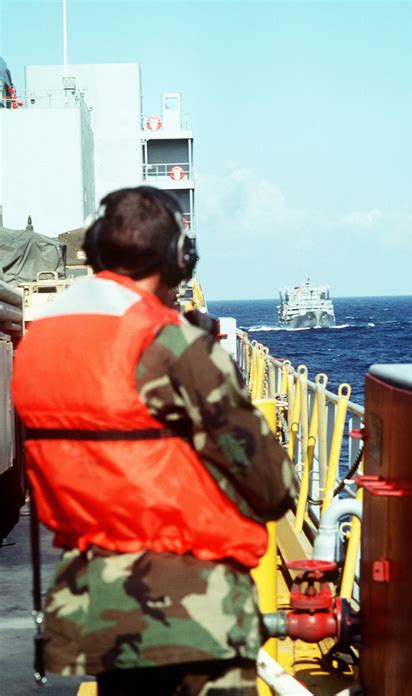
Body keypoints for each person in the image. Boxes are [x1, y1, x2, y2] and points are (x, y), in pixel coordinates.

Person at [11, 186, 295, 696]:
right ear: (178, 260)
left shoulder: (36, 348)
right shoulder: (174, 345)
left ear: (97, 252)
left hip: (97, 609)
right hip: (196, 611)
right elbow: (274, 488)